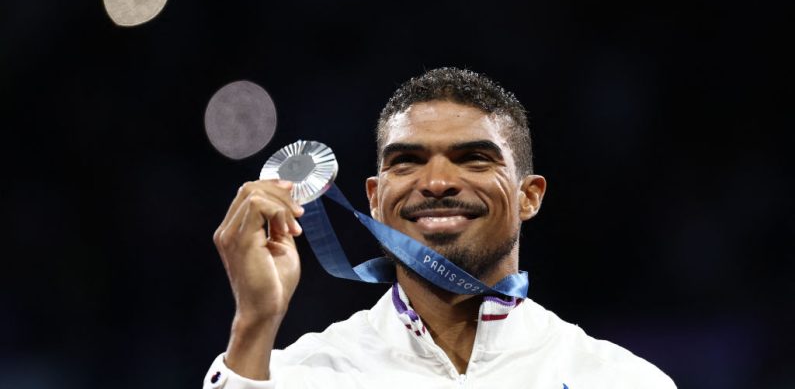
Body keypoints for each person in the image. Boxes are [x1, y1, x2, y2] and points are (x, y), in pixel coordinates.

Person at [203, 68, 676, 388]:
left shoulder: (617, 379)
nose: (436, 183)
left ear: (528, 196)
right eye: (406, 162)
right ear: (374, 198)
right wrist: (254, 325)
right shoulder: (298, 376)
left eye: (473, 158)